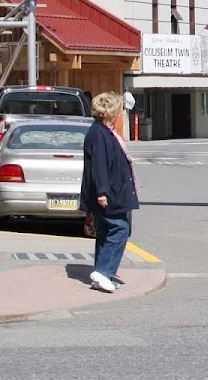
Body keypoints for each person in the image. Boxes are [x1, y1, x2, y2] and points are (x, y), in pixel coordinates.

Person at [81, 92, 140, 294]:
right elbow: (99, 166)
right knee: (120, 229)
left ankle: (102, 272)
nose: (118, 114)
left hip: (111, 191)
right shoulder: (99, 134)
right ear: (109, 112)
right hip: (109, 193)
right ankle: (104, 271)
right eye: (116, 111)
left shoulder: (103, 131)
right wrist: (102, 192)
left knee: (106, 232)